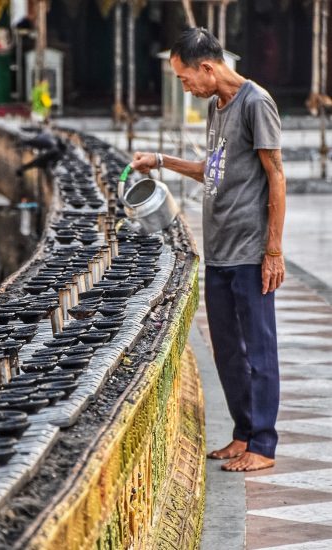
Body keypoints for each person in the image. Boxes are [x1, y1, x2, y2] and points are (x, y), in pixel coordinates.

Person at [131, 27, 286, 472]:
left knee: (258, 349)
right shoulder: (218, 106)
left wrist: (273, 250)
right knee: (228, 349)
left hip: (249, 250)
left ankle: (264, 445)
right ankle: (243, 433)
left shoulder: (256, 103)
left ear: (207, 67)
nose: (185, 87)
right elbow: (211, 170)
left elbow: (276, 175)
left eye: (185, 79)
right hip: (218, 252)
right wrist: (160, 162)